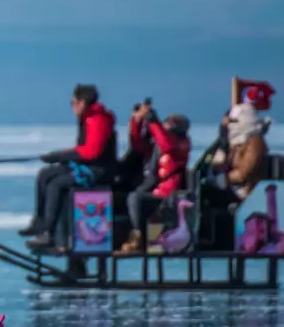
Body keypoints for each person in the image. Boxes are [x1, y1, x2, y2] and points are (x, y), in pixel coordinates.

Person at [20, 85, 118, 250]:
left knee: (57, 184)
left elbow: (92, 152)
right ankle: (39, 222)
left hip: (99, 171)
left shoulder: (97, 120)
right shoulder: (88, 118)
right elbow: (85, 150)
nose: (72, 107)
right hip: (87, 166)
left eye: (73, 102)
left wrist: (61, 156)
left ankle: (49, 231)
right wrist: (57, 157)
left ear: (82, 102)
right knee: (45, 174)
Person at [118, 106, 191, 253]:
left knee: (135, 198)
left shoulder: (181, 144)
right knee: (127, 196)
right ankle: (133, 234)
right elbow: (138, 144)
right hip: (153, 189)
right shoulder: (158, 144)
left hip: (167, 195)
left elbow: (167, 145)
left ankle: (138, 236)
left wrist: (153, 122)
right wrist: (137, 120)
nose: (168, 124)